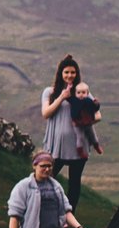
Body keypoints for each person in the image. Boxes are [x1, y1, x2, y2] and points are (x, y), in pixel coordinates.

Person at [38, 54, 102, 202]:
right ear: (61, 73)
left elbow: (98, 115)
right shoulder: (50, 92)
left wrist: (84, 121)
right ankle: (43, 209)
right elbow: (46, 113)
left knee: (74, 184)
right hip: (56, 147)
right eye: (66, 72)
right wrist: (61, 97)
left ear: (77, 74)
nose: (70, 75)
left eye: (73, 72)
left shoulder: (82, 92)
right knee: (45, 178)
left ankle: (70, 217)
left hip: (78, 147)